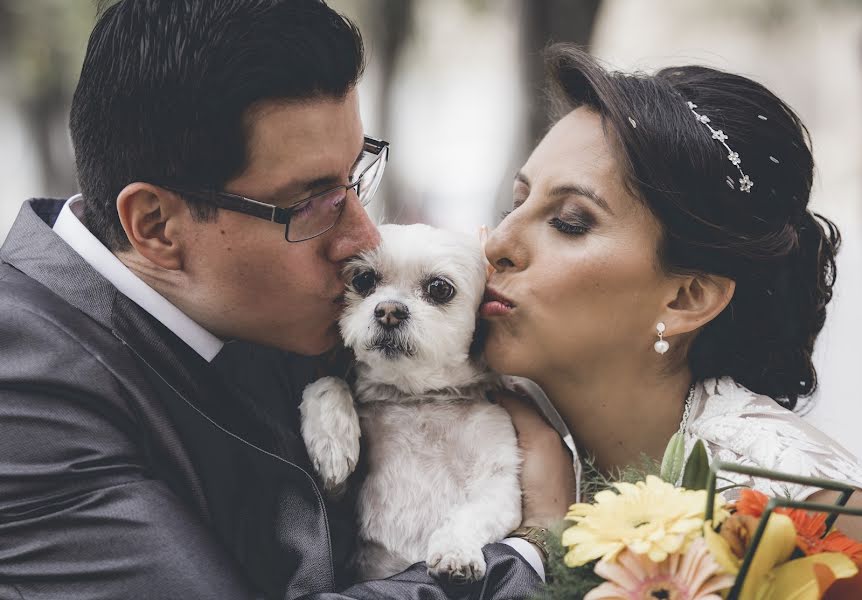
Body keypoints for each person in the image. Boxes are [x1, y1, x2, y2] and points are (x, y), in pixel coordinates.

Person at [0, 2, 575, 598]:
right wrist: (530, 548)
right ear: (156, 226)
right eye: (311, 202)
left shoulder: (283, 310)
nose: (364, 237)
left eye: (355, 179)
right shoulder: (21, 389)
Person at [482, 44, 862, 537]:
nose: (498, 243)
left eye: (569, 222)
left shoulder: (810, 518)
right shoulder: (462, 422)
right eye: (517, 202)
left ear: (688, 298)